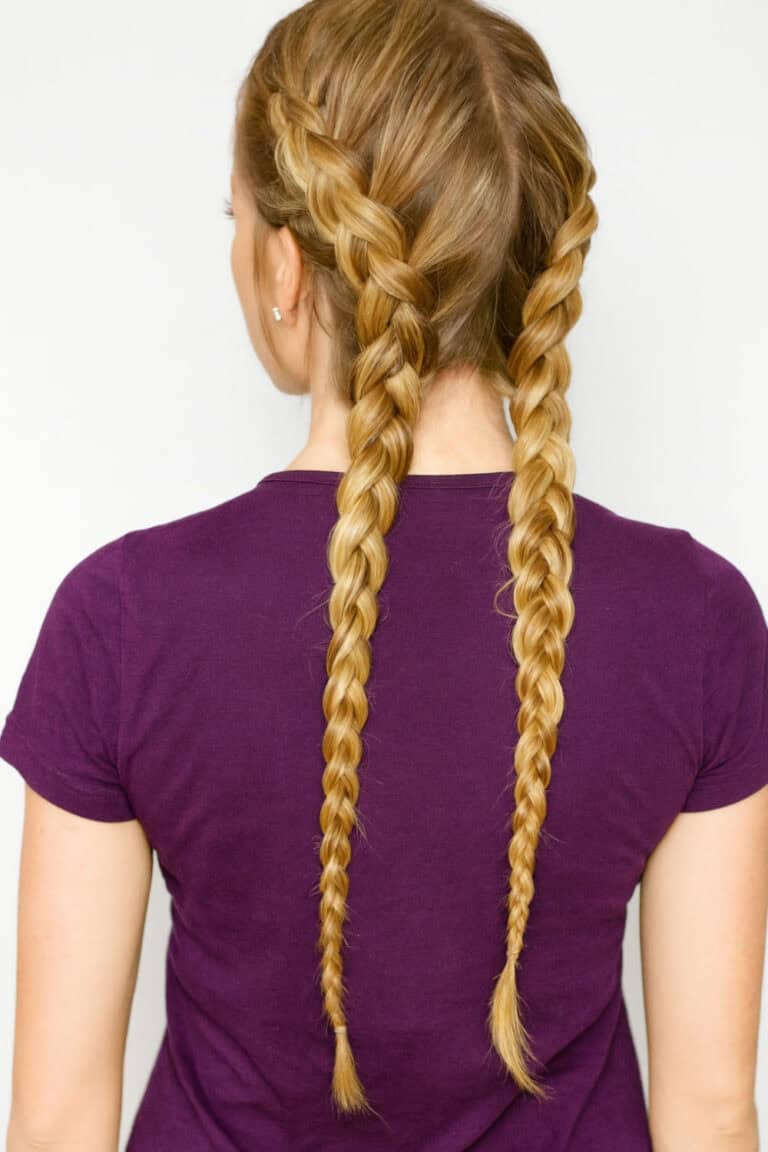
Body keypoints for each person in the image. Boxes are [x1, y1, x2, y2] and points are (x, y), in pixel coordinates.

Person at [3, 0, 767, 1148]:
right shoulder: (697, 619)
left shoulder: (123, 618)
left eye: (235, 216)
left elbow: (58, 1122)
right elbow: (710, 1112)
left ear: (285, 267)